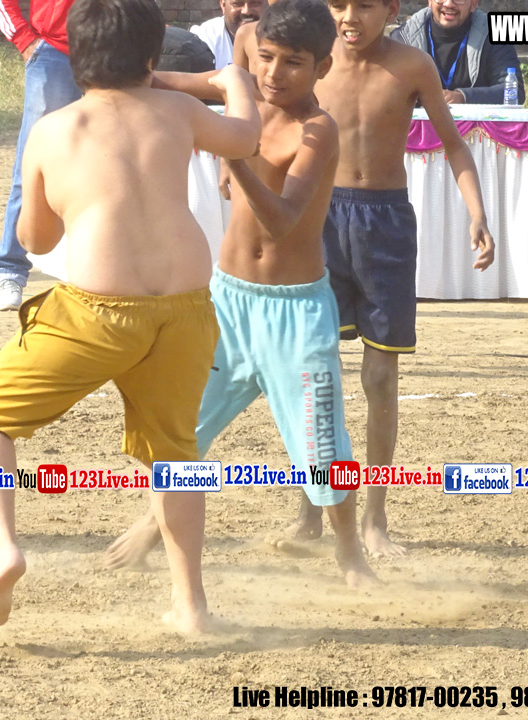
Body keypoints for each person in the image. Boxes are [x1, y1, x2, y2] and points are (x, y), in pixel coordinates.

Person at [0, 0, 260, 633]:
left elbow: (36, 239)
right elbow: (244, 137)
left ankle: (3, 549)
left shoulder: (54, 129)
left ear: (74, 55)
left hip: (97, 311)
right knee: (174, 457)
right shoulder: (177, 110)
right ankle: (191, 606)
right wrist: (231, 79)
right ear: (152, 58)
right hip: (185, 310)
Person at [105, 0, 378, 589]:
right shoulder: (242, 98)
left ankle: (350, 553)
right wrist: (113, 67)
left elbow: (283, 220)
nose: (275, 73)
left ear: (322, 68)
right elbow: (158, 80)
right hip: (227, 304)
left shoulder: (318, 130)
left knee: (322, 447)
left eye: (294, 63)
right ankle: (154, 524)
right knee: (180, 429)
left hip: (296, 314)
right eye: (266, 58)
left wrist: (236, 157)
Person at [307, 0, 494, 556]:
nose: (350, 16)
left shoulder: (412, 65)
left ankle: (375, 515)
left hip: (385, 224)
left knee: (380, 377)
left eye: (364, 5)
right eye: (338, 4)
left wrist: (478, 213)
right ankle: (312, 508)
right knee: (316, 373)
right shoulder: (311, 60)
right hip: (318, 220)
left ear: (390, 8)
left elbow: (454, 144)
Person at [0, 0, 80, 311]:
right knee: (32, 167)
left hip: (113, 52)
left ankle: (94, 272)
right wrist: (24, 39)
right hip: (55, 53)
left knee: (106, 167)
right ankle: (10, 271)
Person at [390, 0, 524, 106]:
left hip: (477, 129)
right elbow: (388, 92)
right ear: (429, 1)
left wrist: (463, 97)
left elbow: (515, 92)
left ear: (473, 3)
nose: (449, 4)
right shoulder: (403, 38)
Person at [190, 0, 264, 70]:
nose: (246, 11)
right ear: (223, 5)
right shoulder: (204, 37)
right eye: (237, 4)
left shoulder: (271, 37)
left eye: (255, 3)